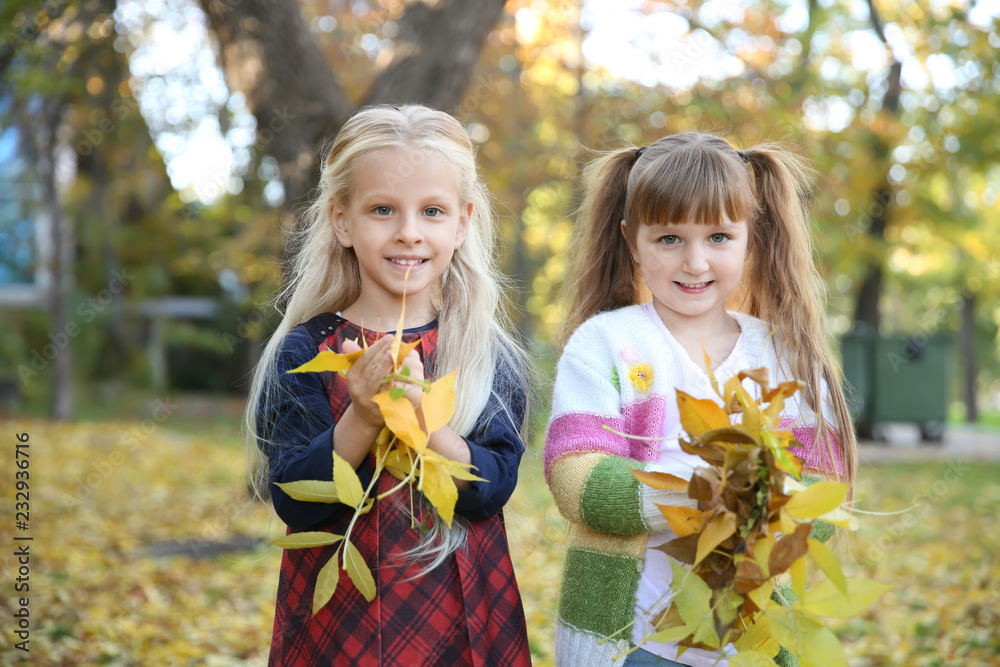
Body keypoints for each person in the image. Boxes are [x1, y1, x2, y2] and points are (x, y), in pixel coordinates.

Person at [544, 133, 858, 667]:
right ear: (631, 239)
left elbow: (827, 499)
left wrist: (765, 504)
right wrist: (694, 499)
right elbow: (576, 477)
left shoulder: (785, 358)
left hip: (752, 645)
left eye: (717, 236)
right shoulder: (607, 344)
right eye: (669, 238)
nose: (694, 262)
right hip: (630, 643)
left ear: (750, 237)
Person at [245, 105, 532, 666]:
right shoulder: (305, 351)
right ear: (342, 221)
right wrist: (363, 417)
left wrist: (423, 421)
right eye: (382, 210)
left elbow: (491, 487)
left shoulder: (479, 350)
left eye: (432, 211)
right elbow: (294, 502)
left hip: (462, 616)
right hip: (340, 623)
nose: (408, 232)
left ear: (463, 222)